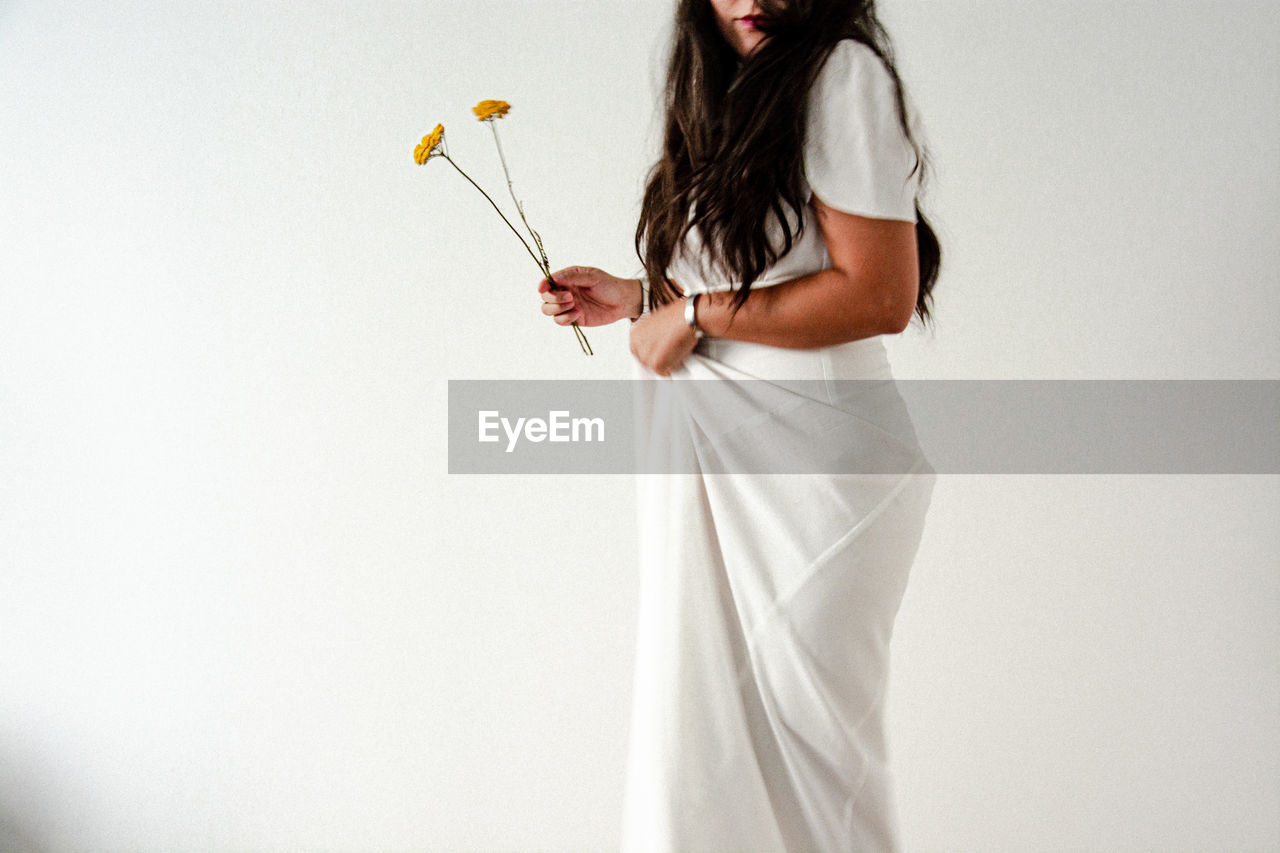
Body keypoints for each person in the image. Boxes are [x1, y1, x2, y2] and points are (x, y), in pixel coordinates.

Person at [537, 1, 939, 850]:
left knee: (815, 762)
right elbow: (766, 274)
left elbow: (880, 293)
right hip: (728, 459)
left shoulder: (842, 73)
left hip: (817, 478)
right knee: (710, 752)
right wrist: (645, 300)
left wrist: (694, 316)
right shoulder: (727, 88)